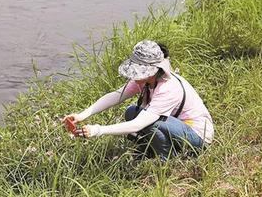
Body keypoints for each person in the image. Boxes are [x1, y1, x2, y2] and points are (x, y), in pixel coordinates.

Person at [64, 40, 214, 160]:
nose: (136, 76)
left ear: (154, 70)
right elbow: (116, 95)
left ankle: (166, 159)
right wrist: (82, 115)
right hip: (176, 126)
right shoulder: (146, 80)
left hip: (198, 137)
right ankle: (151, 150)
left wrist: (98, 130)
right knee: (131, 112)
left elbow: (137, 125)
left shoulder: (167, 89)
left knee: (153, 123)